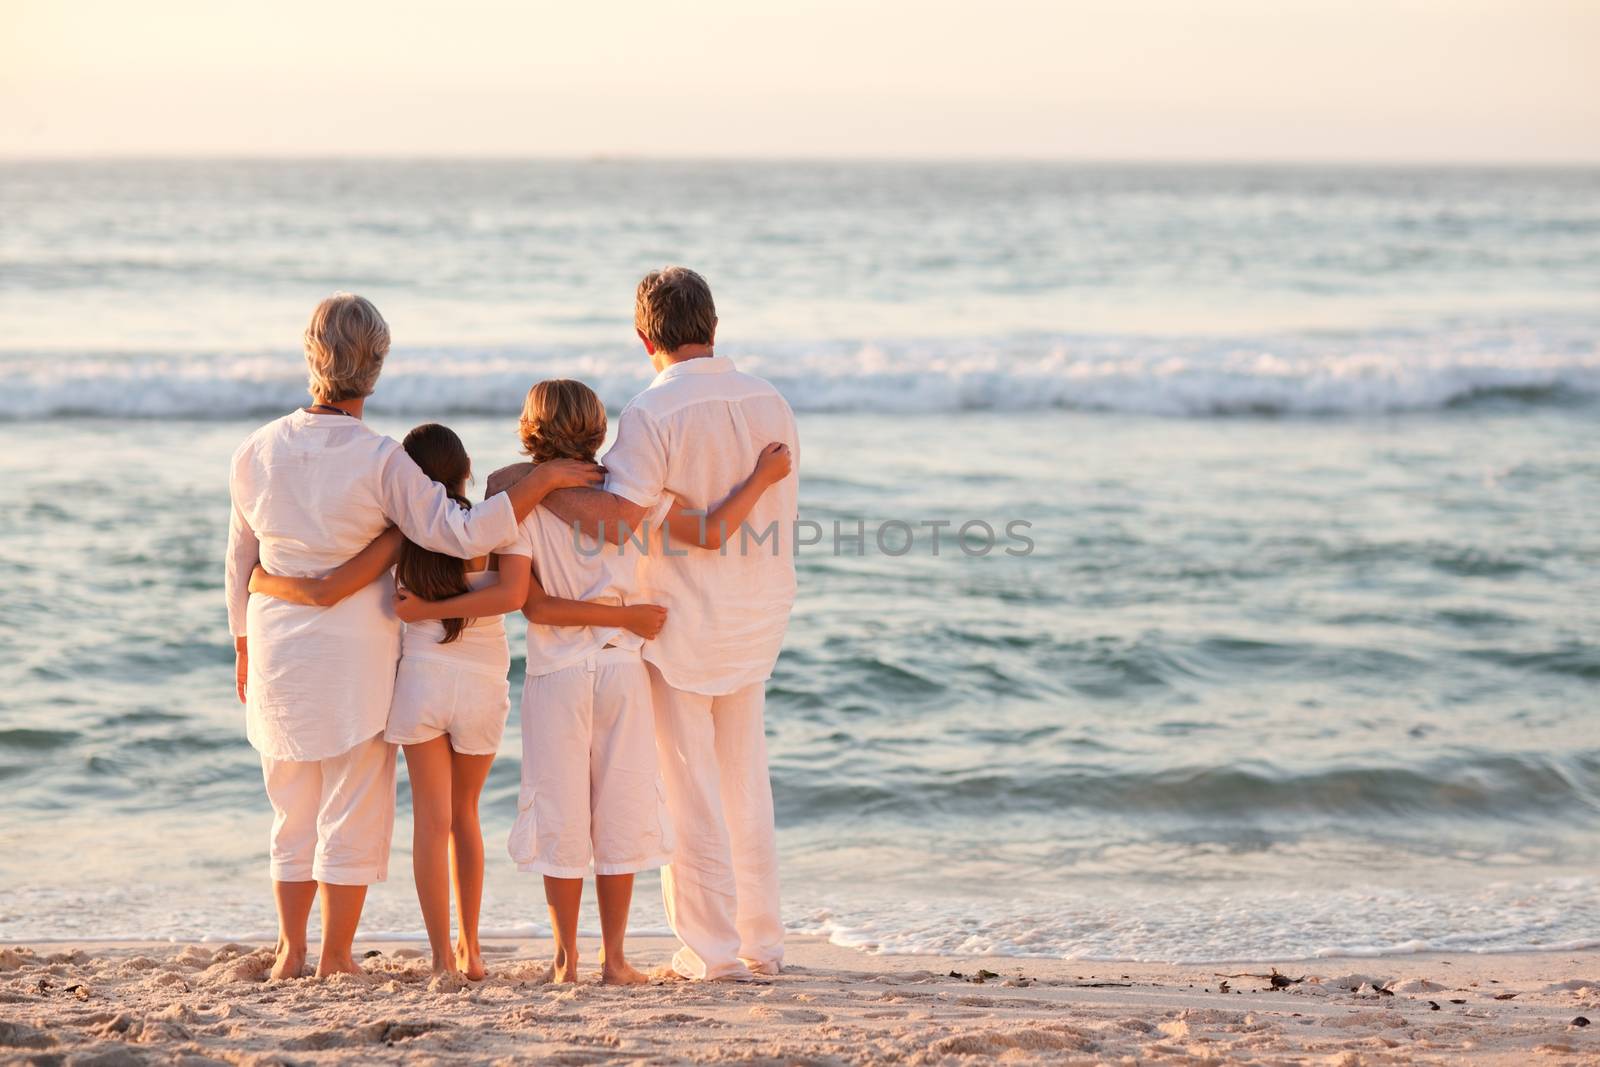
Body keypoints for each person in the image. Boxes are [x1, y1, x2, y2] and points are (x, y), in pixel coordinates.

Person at [224, 293, 602, 980]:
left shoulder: (255, 450)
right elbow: (461, 532)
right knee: (352, 807)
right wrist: (542, 478)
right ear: (376, 364)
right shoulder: (380, 461)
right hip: (355, 655)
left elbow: (239, 561)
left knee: (290, 808)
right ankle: (336, 955)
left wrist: (242, 642)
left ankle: (290, 951)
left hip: (277, 645)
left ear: (312, 355)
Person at [515, 268, 800, 981]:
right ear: (713, 323)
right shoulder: (773, 402)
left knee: (689, 781)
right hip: (757, 611)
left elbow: (615, 525)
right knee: (745, 779)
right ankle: (761, 942)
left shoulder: (652, 413)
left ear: (644, 336)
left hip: (678, 621)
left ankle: (712, 950)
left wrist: (523, 486)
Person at [250, 423, 519, 980]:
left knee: (429, 820)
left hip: (421, 682)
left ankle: (439, 958)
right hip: (483, 683)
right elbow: (515, 594)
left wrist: (260, 582)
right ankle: (471, 952)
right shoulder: (496, 524)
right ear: (465, 468)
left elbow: (332, 588)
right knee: (465, 817)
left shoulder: (403, 532)